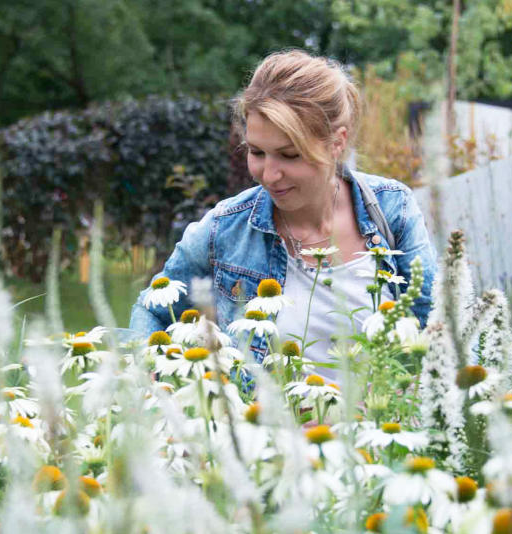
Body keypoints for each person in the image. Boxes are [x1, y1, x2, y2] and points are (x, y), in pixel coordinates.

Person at [129, 50, 436, 370]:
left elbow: (441, 326)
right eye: (257, 152)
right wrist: (149, 376)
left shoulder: (392, 211)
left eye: (290, 155)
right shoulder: (226, 228)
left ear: (337, 142)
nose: (269, 175)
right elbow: (151, 310)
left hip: (381, 417)